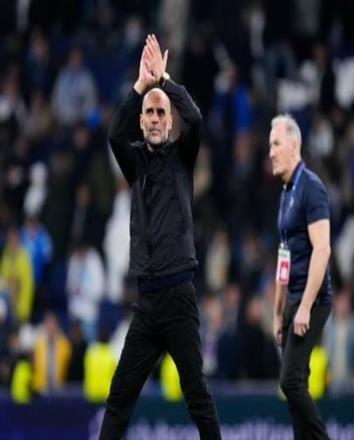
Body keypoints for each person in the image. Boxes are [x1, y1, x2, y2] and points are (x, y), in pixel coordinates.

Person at [99, 34, 221, 439]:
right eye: (148, 112)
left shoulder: (183, 157)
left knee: (197, 397)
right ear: (142, 120)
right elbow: (114, 134)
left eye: (160, 113)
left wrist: (165, 81)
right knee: (119, 399)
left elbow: (196, 119)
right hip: (147, 303)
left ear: (169, 123)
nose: (153, 117)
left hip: (179, 299)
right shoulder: (134, 162)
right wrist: (140, 85)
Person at [270, 114, 332, 439]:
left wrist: (305, 306)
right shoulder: (286, 193)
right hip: (292, 299)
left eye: (276, 144)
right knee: (296, 388)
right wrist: (277, 310)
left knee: (290, 381)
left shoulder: (311, 187)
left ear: (294, 146)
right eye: (270, 145)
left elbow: (322, 249)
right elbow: (284, 256)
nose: (270, 152)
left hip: (314, 299)